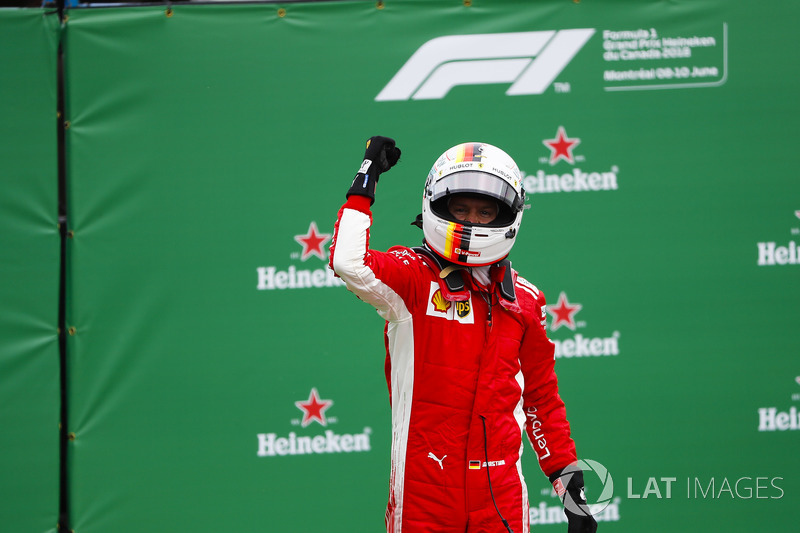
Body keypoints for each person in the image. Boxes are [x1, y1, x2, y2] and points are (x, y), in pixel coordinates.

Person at [330, 136, 597, 533]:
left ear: (507, 215)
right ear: (438, 207)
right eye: (461, 208)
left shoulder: (524, 301)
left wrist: (571, 492)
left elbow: (541, 399)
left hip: (501, 498)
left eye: (485, 212)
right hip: (425, 497)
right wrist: (365, 180)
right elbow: (348, 263)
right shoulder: (414, 279)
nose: (471, 221)